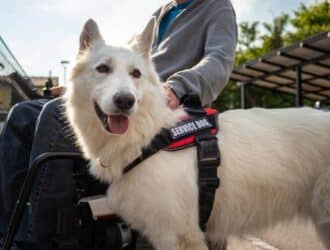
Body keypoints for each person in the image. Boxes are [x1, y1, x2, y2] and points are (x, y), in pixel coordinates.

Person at [0, 0, 237, 249]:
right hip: (130, 91)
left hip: (162, 105)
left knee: (55, 115)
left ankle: (45, 240)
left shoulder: (216, 6)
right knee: (22, 115)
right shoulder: (162, 13)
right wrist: (84, 85)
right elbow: (123, 63)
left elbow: (219, 62)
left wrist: (177, 87)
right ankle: (9, 234)